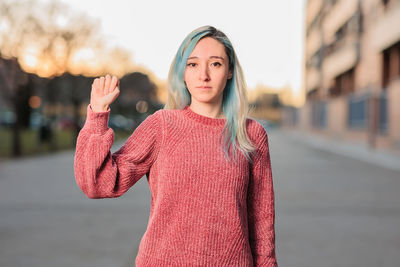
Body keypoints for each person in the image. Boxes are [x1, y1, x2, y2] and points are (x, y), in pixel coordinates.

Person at [74, 25, 277, 266]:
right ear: (182, 72)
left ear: (230, 71)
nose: (203, 75)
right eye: (192, 64)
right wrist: (97, 115)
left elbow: (262, 221)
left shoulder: (251, 134)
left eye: (215, 64)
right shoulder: (162, 125)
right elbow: (98, 184)